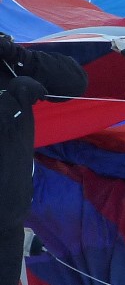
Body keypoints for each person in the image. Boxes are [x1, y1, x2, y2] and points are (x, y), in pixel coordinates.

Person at [0, 33, 88, 285]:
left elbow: (74, 83)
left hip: (9, 222)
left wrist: (18, 56)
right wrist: (12, 104)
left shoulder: (8, 61)